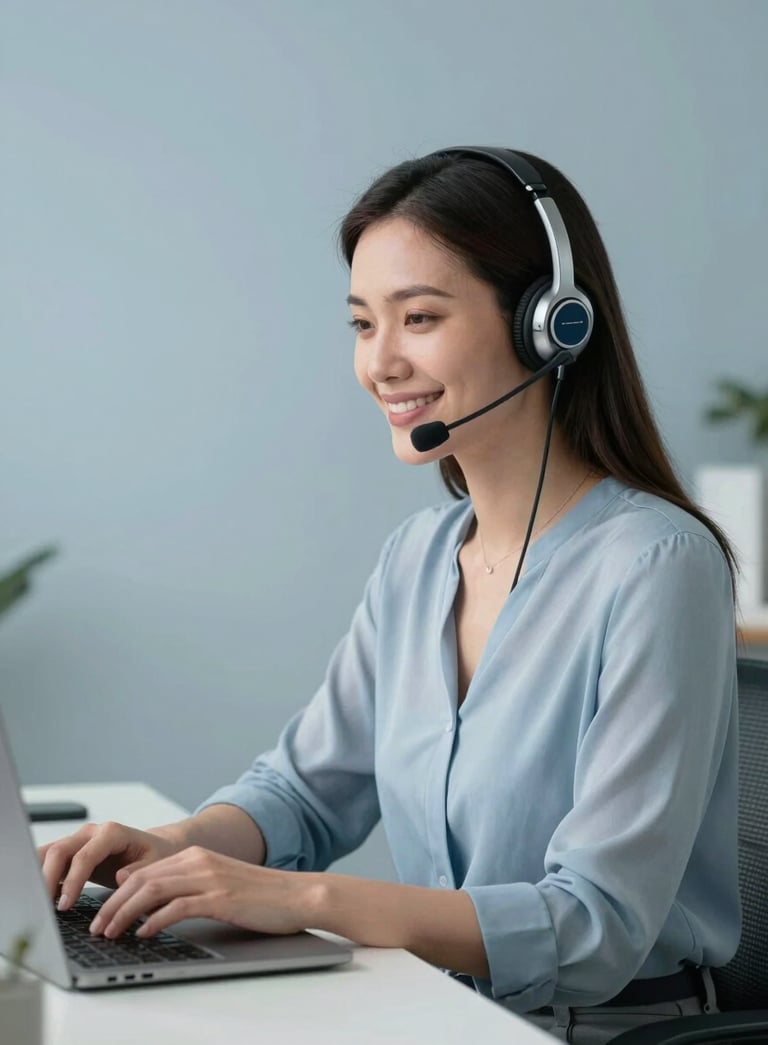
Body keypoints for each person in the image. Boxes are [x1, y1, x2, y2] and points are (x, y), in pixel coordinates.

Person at [39, 147, 740, 1045]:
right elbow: (305, 793)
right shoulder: (420, 557)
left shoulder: (657, 565)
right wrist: (177, 848)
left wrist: (301, 898)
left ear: (548, 325)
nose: (382, 363)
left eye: (419, 317)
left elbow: (594, 920)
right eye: (363, 324)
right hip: (438, 1012)